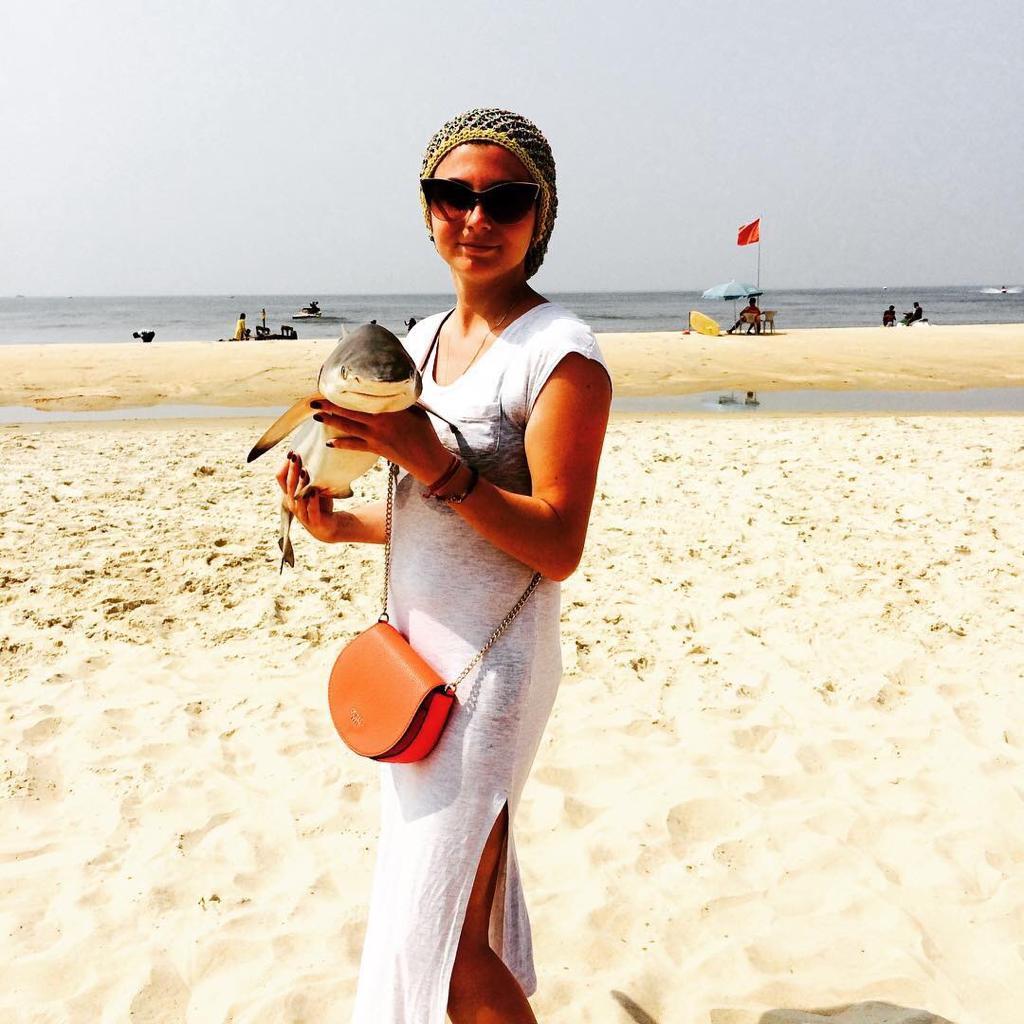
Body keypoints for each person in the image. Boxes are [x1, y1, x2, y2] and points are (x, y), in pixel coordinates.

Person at [278, 108, 611, 1024]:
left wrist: (432, 461)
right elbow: (429, 519)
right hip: (415, 662)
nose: (476, 217)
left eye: (506, 200)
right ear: (426, 209)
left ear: (542, 215)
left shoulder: (561, 356)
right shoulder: (418, 343)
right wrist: (338, 524)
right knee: (427, 919)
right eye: (452, 194)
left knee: (445, 944)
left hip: (492, 673)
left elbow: (559, 544)